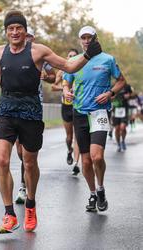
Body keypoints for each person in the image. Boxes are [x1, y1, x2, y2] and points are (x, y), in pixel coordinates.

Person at [0, 11, 101, 233]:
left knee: (29, 163)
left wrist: (88, 55)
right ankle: (9, 213)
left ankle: (31, 205)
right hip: (6, 110)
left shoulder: (38, 51)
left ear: (25, 31)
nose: (14, 32)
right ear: (6, 32)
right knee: (2, 160)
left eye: (19, 28)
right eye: (10, 29)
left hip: (31, 112)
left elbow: (68, 66)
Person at [63, 26, 126, 212]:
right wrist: (66, 91)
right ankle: (92, 193)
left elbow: (121, 81)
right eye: (83, 37)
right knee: (85, 161)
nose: (86, 40)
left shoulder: (108, 59)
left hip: (100, 112)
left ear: (95, 38)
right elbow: (66, 82)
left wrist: (110, 93)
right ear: (80, 40)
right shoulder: (74, 61)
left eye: (90, 37)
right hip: (80, 113)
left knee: (97, 156)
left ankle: (101, 188)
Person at [0, 28, 56, 204]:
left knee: (29, 158)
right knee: (17, 153)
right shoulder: (8, 54)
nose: (25, 39)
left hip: (33, 107)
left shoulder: (39, 54)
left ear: (32, 38)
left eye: (29, 36)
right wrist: (10, 79)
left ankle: (26, 191)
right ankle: (21, 187)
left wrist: (44, 76)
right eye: (24, 36)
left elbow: (53, 76)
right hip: (11, 107)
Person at [52, 48, 81, 175]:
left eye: (75, 56)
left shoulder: (81, 69)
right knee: (69, 137)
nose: (72, 58)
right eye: (70, 55)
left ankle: (76, 163)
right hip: (66, 106)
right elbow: (53, 86)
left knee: (77, 136)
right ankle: (69, 150)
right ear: (67, 57)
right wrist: (65, 89)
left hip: (78, 106)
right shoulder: (61, 71)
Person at [112, 83, 132, 151]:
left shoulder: (127, 86)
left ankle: (123, 141)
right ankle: (118, 144)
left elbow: (130, 95)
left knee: (122, 127)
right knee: (117, 128)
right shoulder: (113, 85)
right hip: (115, 109)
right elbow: (110, 96)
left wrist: (128, 96)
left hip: (124, 109)